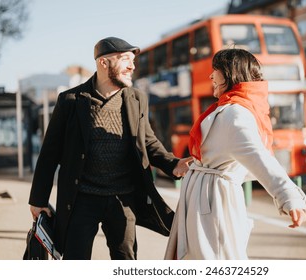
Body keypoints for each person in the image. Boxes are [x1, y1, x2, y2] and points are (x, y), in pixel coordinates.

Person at [28, 36, 192, 260]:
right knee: (76, 261)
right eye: (125, 59)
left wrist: (173, 164)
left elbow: (148, 141)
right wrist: (38, 200)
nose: (132, 66)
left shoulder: (137, 98)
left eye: (133, 60)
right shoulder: (70, 100)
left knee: (126, 261)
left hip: (123, 199)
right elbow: (49, 154)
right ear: (103, 63)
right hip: (81, 199)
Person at [164, 48, 306, 260]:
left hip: (213, 202)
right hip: (206, 197)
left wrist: (290, 198)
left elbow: (259, 158)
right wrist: (200, 163)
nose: (211, 76)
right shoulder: (228, 108)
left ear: (231, 73)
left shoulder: (235, 113)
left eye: (216, 70)